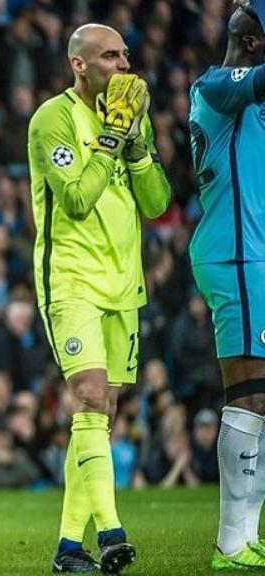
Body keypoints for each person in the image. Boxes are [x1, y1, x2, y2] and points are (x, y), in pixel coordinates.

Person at [27, 24, 171, 573]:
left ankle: (68, 547)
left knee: (100, 414)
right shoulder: (53, 118)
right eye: (110, 56)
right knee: (89, 397)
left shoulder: (130, 116)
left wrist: (136, 146)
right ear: (80, 65)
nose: (123, 65)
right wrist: (112, 138)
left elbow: (157, 203)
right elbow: (78, 200)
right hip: (71, 278)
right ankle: (111, 533)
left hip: (123, 281)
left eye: (126, 55)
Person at [189, 1, 265, 569]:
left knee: (262, 401)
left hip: (253, 256)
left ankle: (248, 532)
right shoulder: (218, 84)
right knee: (248, 396)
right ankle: (229, 542)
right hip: (234, 255)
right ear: (254, 43)